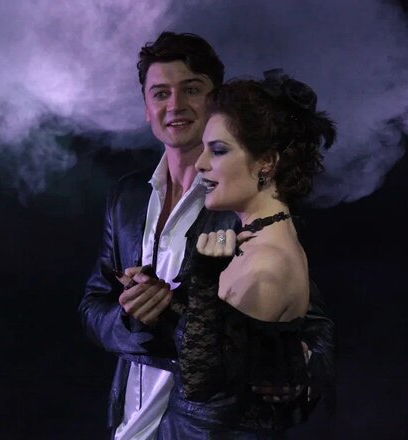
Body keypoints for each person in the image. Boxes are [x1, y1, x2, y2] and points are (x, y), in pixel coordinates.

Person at [78, 32, 333, 439]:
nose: (175, 105)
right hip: (131, 427)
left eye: (191, 89)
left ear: (215, 99)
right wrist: (132, 319)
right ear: (146, 107)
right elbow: (93, 305)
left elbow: (310, 326)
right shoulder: (126, 197)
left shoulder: (247, 205)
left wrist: (299, 378)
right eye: (160, 93)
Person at [155, 71, 337, 437]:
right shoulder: (260, 240)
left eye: (218, 150)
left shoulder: (267, 262)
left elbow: (200, 384)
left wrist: (203, 282)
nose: (201, 163)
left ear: (266, 162)